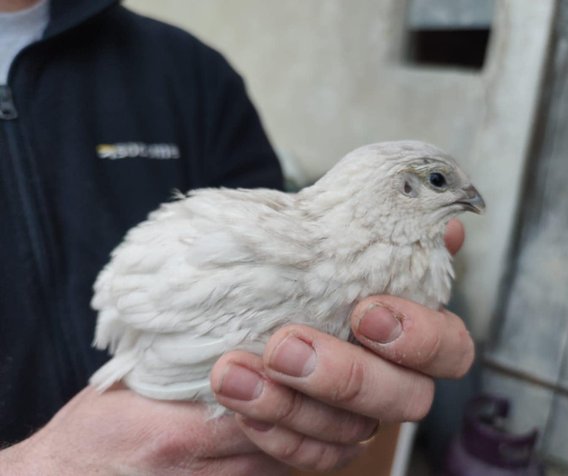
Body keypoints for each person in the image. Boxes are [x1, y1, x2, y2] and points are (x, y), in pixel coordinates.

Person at [0, 0, 475, 473]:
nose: (467, 195)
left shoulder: (189, 72)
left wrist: (329, 413)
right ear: (404, 188)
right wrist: (48, 463)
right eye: (438, 181)